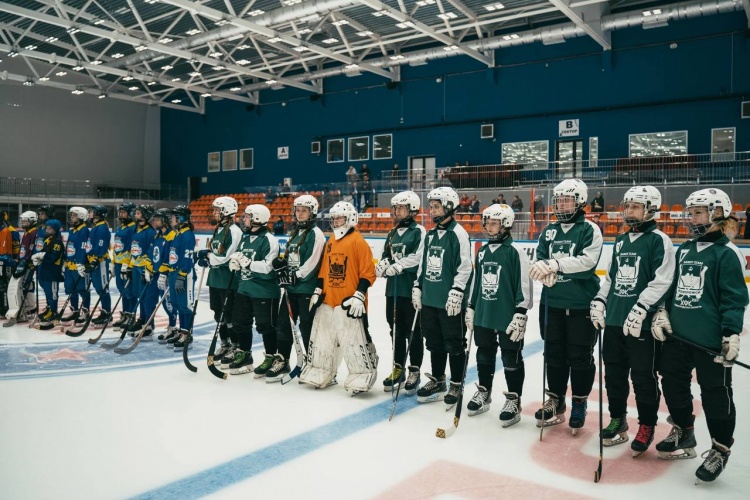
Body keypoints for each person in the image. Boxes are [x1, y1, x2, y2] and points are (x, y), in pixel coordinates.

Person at [651, 188, 748, 484]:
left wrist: (730, 334)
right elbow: (671, 287)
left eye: (698, 212)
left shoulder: (728, 254)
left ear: (718, 213)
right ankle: (684, 430)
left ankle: (720, 447)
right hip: (678, 340)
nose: (691, 218)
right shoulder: (685, 249)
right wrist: (662, 312)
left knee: (716, 396)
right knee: (672, 385)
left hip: (710, 344)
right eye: (690, 212)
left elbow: (734, 299)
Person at [590, 186, 674, 456]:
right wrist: (601, 300)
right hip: (615, 320)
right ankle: (618, 418)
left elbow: (662, 281)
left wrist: (641, 308)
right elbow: (612, 279)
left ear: (650, 208)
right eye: (627, 206)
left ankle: (647, 425)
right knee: (614, 375)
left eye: (635, 206)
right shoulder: (622, 240)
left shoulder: (660, 240)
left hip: (641, 323)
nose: (628, 211)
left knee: (643, 378)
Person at [528, 178, 603, 433]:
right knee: (554, 355)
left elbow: (587, 263)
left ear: (580, 201)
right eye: (558, 200)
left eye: (567, 200)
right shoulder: (549, 230)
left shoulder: (590, 230)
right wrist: (541, 269)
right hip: (553, 304)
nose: (561, 205)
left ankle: (579, 402)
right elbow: (540, 257)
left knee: (580, 357)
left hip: (581, 305)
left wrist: (556, 265)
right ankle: (556, 400)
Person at [300, 201, 377, 394]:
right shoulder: (331, 241)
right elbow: (324, 272)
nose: (335, 222)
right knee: (324, 339)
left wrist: (359, 296)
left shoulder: (359, 242)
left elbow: (368, 273)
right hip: (329, 300)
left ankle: (362, 372)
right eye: (333, 218)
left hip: (350, 303)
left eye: (339, 218)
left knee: (354, 339)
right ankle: (322, 370)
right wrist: (318, 291)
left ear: (350, 218)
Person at [465, 204, 532, 426]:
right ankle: (484, 392)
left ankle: (514, 399)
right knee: (484, 354)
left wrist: (521, 313)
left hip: (507, 316)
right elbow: (476, 284)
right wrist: (471, 307)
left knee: (510, 357)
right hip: (485, 314)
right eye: (487, 223)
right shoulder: (482, 251)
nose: (488, 227)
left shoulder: (516, 252)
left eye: (493, 223)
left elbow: (524, 285)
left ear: (505, 225)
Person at [412, 187, 473, 405]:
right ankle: (438, 380)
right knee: (434, 343)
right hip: (430, 300)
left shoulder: (459, 234)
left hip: (450, 303)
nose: (431, 210)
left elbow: (465, 267)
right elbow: (423, 264)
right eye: (431, 206)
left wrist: (457, 291)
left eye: (436, 206)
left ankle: (456, 384)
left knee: (454, 343)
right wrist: (418, 286)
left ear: (448, 207)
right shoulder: (429, 235)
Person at [268, 195, 326, 381]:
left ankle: (313, 363)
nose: (300, 214)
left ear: (312, 212)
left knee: (307, 328)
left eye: (304, 211)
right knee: (283, 325)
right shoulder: (295, 233)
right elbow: (291, 258)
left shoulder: (315, 234)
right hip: (291, 289)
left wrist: (295, 275)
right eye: (298, 210)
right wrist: (282, 265)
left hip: (306, 289)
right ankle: (283, 360)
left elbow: (313, 262)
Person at [375, 191, 426, 394]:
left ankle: (414, 370)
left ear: (412, 210)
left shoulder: (419, 231)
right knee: (395, 331)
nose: (396, 211)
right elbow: (385, 256)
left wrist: (400, 265)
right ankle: (398, 368)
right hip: (393, 291)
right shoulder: (392, 232)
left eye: (401, 208)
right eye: (395, 208)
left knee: (414, 333)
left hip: (411, 290)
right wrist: (383, 265)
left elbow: (419, 257)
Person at [227, 204, 280, 376]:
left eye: (248, 216)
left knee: (266, 326)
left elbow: (268, 268)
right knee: (240, 323)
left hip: (264, 291)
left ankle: (271, 356)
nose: (244, 219)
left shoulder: (269, 240)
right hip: (244, 288)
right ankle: (245, 354)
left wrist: (247, 263)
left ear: (257, 218)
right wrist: (235, 264)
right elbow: (241, 259)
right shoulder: (245, 237)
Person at [197, 197, 243, 367]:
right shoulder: (219, 229)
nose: (214, 213)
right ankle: (225, 344)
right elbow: (216, 252)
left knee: (229, 314)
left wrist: (209, 256)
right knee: (218, 314)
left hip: (228, 280)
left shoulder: (234, 231)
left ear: (226, 211)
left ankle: (235, 346)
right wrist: (207, 258)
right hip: (215, 279)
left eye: (217, 210)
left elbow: (226, 258)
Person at [166, 206, 197, 350]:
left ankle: (187, 333)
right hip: (174, 273)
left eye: (174, 217)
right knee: (176, 303)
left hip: (184, 275)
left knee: (185, 305)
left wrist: (182, 275)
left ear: (181, 218)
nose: (171, 220)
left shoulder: (187, 235)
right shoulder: (178, 234)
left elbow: (187, 257)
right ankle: (182, 330)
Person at [125, 205, 157, 336]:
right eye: (136, 213)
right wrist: (129, 266)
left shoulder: (150, 232)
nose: (136, 216)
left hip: (145, 269)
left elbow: (151, 252)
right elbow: (133, 250)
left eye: (138, 213)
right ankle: (142, 319)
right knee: (139, 295)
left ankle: (148, 324)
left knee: (147, 297)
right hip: (136, 268)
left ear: (145, 215)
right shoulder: (136, 230)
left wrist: (148, 269)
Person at [2, 211, 38, 326]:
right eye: (22, 221)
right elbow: (22, 249)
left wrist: (27, 261)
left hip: (28, 264)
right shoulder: (27, 232)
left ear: (32, 221)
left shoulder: (34, 233)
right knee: (25, 285)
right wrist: (18, 260)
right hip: (22, 263)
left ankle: (24, 311)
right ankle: (30, 308)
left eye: (25, 221)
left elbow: (32, 249)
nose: (22, 223)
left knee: (24, 286)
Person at [148, 208, 177, 343]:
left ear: (165, 220)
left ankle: (173, 327)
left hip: (167, 274)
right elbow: (152, 253)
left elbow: (169, 257)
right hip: (157, 273)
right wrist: (148, 269)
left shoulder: (172, 235)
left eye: (158, 219)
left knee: (169, 302)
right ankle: (171, 327)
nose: (155, 221)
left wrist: (164, 273)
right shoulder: (157, 235)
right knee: (163, 301)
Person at [30, 219, 64, 328]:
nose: (47, 230)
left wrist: (42, 256)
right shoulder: (46, 240)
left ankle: (53, 312)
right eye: (47, 228)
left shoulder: (57, 242)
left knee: (52, 294)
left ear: (55, 230)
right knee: (47, 293)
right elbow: (42, 253)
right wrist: (38, 259)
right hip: (44, 271)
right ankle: (49, 308)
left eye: (50, 228)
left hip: (52, 273)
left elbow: (53, 257)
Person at [61, 207, 90, 326]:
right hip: (70, 266)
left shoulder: (84, 230)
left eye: (74, 215)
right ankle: (75, 311)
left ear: (81, 216)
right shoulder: (73, 230)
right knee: (71, 290)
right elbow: (69, 248)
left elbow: (83, 248)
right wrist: (64, 261)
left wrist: (81, 263)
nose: (71, 217)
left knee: (83, 290)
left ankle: (85, 312)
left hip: (79, 266)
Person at [84, 206, 112, 326]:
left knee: (103, 288)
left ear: (98, 214)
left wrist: (95, 260)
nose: (89, 213)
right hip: (94, 261)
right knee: (98, 287)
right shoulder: (96, 227)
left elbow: (101, 246)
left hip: (100, 262)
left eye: (91, 212)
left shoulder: (101, 228)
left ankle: (107, 314)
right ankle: (105, 312)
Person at [112, 204, 137, 331]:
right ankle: (125, 314)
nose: (121, 215)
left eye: (123, 212)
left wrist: (127, 264)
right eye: (120, 212)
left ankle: (131, 316)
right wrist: (113, 262)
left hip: (126, 265)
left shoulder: (133, 228)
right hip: (118, 264)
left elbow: (131, 248)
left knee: (130, 291)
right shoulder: (121, 227)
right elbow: (117, 247)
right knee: (122, 290)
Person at [0, 211, 20, 318]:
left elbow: (15, 249)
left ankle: (6, 307)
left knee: (5, 285)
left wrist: (16, 261)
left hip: (6, 262)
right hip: (4, 260)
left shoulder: (9, 231)